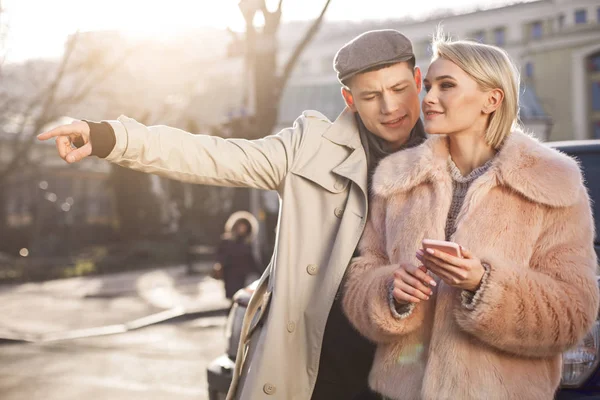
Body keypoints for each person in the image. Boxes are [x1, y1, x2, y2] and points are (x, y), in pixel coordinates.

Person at [38, 30, 426, 400]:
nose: (390, 107)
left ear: (418, 79)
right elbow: (211, 156)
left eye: (398, 89)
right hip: (322, 378)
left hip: (417, 378)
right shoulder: (310, 151)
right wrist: (111, 137)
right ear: (349, 98)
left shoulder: (460, 157)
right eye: (372, 95)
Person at [342, 33, 599, 400]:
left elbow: (572, 315)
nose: (428, 98)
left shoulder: (552, 183)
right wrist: (389, 292)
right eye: (428, 86)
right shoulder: (396, 179)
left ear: (492, 99)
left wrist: (483, 284)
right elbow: (360, 280)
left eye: (446, 86)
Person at [216, 211, 260, 299]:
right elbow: (220, 257)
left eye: (244, 226)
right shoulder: (226, 241)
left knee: (241, 298)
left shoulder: (247, 243)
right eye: (240, 226)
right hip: (230, 275)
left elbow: (251, 260)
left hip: (242, 277)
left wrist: (262, 273)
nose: (242, 228)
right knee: (233, 298)